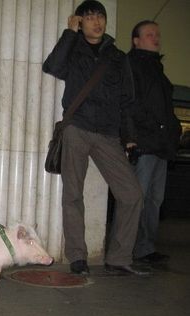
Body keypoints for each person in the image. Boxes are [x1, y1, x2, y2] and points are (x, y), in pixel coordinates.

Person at [42, 0, 146, 276]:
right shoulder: (73, 48)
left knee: (132, 194)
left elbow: (127, 101)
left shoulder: (119, 57)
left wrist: (130, 138)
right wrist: (69, 33)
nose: (96, 22)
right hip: (77, 127)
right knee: (73, 194)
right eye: (88, 17)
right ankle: (77, 256)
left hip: (109, 134)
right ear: (79, 21)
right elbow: (52, 67)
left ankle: (119, 257)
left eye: (100, 16)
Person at [123, 20, 182, 264]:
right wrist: (132, 137)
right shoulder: (132, 65)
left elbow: (165, 109)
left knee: (154, 200)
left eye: (157, 34)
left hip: (161, 145)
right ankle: (127, 249)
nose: (155, 38)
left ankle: (145, 249)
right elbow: (129, 104)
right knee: (138, 197)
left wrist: (174, 129)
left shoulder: (157, 69)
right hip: (145, 144)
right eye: (149, 34)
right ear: (136, 41)